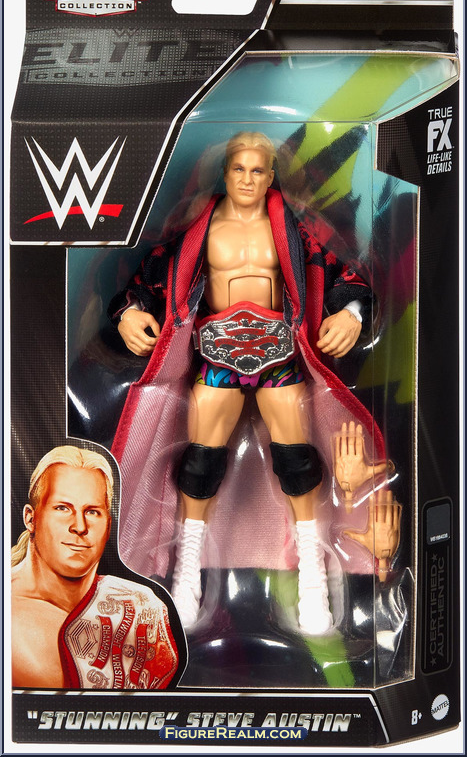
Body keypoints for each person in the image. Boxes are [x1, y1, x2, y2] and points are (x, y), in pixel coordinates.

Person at [109, 132, 388, 635]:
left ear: (271, 175)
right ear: (225, 171)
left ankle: (312, 575)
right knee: (200, 462)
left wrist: (350, 311)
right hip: (216, 355)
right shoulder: (197, 230)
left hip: (278, 355)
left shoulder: (294, 229)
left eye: (258, 170)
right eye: (239, 169)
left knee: (297, 460)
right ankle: (186, 572)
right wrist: (129, 311)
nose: (247, 179)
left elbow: (339, 270)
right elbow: (153, 272)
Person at [11, 445, 180, 689]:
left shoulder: (142, 606)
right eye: (62, 508)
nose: (80, 526)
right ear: (30, 518)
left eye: (92, 512)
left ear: (108, 526)